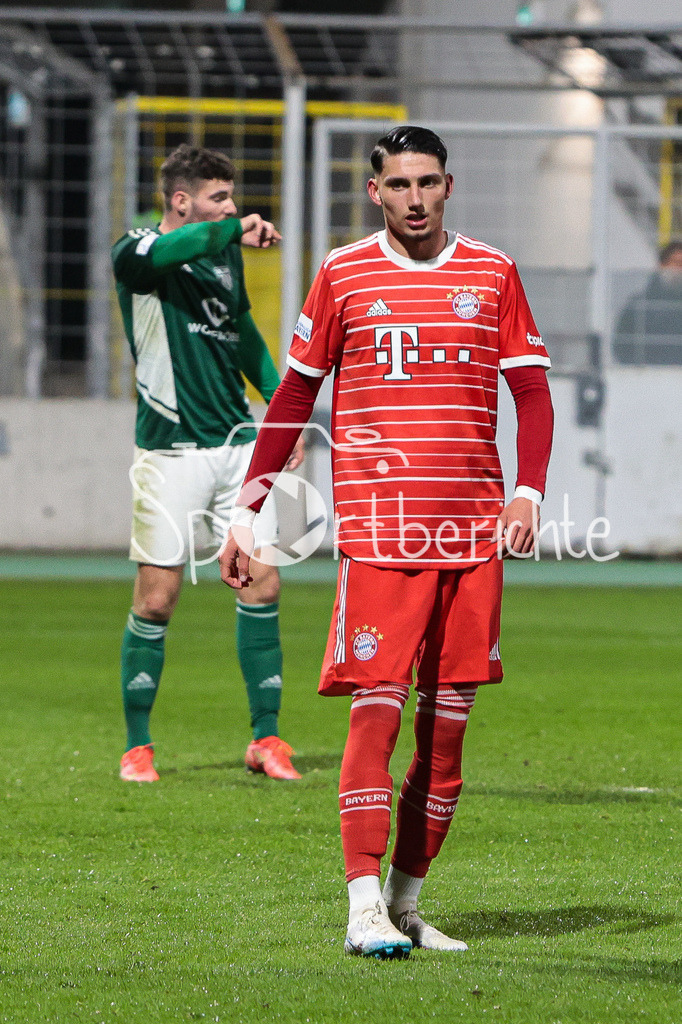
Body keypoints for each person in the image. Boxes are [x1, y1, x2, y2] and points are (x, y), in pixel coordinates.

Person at [219, 126, 554, 958]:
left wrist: (526, 492)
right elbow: (294, 396)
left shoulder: (494, 272)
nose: (413, 198)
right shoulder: (343, 273)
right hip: (380, 533)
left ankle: (405, 902)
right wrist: (247, 510)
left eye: (427, 183)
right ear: (376, 192)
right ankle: (360, 904)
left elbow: (534, 398)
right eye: (398, 184)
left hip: (472, 539)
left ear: (448, 186)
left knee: (447, 735)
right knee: (375, 717)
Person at [112, 144, 304, 783]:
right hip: (169, 451)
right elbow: (165, 254)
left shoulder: (222, 253)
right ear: (182, 201)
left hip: (235, 443)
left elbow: (243, 332)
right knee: (158, 598)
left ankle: (266, 738)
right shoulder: (136, 250)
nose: (231, 207)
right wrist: (232, 228)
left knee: (263, 582)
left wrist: (282, 407)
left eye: (232, 197)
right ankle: (138, 745)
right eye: (218, 197)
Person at [613, 241, 682, 365]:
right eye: (677, 263)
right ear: (662, 265)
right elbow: (622, 345)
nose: (680, 270)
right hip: (648, 376)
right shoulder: (640, 304)